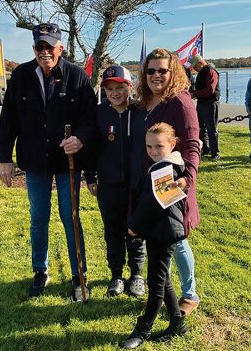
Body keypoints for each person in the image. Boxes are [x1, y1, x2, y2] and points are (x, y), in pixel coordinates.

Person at [0, 23, 97, 302]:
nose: (44, 52)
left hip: (68, 163)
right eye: (39, 47)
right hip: (35, 162)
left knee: (70, 218)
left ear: (60, 47)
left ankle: (79, 276)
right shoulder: (21, 75)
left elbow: (90, 118)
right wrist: (4, 157)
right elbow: (9, 119)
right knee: (38, 219)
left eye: (49, 46)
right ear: (34, 49)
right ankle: (40, 272)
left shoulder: (77, 76)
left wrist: (81, 139)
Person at [130, 48, 200, 317]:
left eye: (162, 70)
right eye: (151, 70)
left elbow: (192, 145)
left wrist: (188, 179)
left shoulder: (180, 103)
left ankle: (190, 293)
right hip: (148, 183)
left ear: (173, 72)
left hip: (172, 182)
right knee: (157, 237)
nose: (156, 75)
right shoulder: (144, 103)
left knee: (176, 238)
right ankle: (161, 292)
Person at [122, 123, 188, 349]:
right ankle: (177, 323)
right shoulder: (164, 164)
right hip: (161, 230)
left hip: (163, 232)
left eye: (159, 146)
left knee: (156, 283)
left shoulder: (165, 168)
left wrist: (134, 227)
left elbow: (153, 203)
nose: (153, 151)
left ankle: (143, 329)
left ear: (172, 144)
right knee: (163, 278)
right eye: (148, 146)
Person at [86, 65, 145, 297]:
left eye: (119, 87)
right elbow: (91, 148)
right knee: (113, 232)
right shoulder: (99, 113)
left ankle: (137, 275)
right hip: (109, 185)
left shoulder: (141, 110)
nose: (115, 93)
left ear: (129, 87)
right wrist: (90, 176)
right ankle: (116, 275)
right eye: (109, 89)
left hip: (137, 185)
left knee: (136, 231)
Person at [189, 54, 221, 160]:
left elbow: (210, 89)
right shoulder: (202, 72)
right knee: (201, 128)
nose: (193, 68)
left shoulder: (211, 71)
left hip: (211, 103)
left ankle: (215, 152)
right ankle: (205, 149)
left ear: (200, 63)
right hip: (202, 103)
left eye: (195, 66)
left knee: (211, 128)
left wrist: (194, 94)